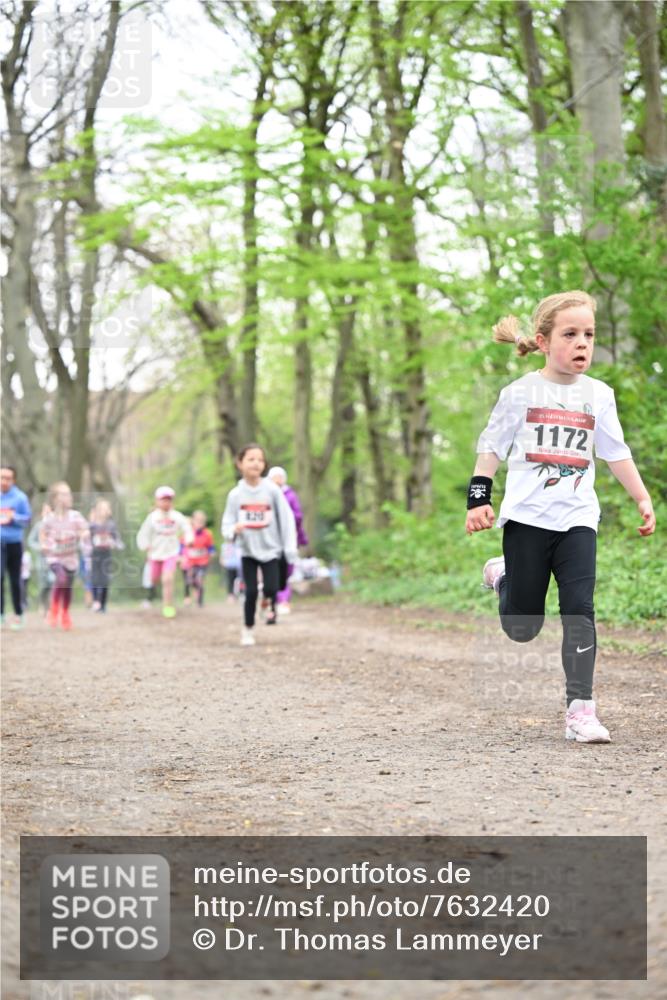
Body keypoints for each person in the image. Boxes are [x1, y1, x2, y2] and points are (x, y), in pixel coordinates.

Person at [466, 290, 656, 743]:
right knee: (521, 627)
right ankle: (504, 574)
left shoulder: (599, 395)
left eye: (588, 334)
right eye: (570, 334)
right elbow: (490, 446)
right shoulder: (520, 393)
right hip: (527, 519)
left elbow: (615, 453)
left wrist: (642, 498)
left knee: (580, 610)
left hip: (577, 519)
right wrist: (478, 498)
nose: (581, 343)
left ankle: (581, 710)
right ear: (543, 340)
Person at [222, 444, 297, 646]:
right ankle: (247, 629)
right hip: (248, 551)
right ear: (240, 463)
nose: (256, 463)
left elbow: (287, 517)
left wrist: (289, 547)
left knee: (272, 588)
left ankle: (267, 602)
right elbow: (227, 522)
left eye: (260, 460)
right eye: (251, 459)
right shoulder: (235, 495)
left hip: (272, 549)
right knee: (251, 592)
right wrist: (233, 530)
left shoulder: (272, 490)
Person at [136, 486, 193, 619]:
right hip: (155, 554)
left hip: (171, 553)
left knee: (168, 579)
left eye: (168, 500)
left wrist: (189, 539)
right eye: (163, 500)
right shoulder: (152, 518)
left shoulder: (176, 516)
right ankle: (155, 592)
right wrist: (144, 545)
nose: (166, 503)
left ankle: (167, 606)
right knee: (154, 579)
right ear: (157, 501)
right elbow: (143, 533)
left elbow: (187, 528)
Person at [40, 482, 89, 630]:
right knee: (61, 578)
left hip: (70, 558)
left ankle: (65, 613)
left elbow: (84, 529)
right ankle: (54, 609)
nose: (69, 497)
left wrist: (83, 534)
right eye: (64, 494)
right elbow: (42, 532)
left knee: (67, 586)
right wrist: (44, 544)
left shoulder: (75, 516)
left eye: (69, 493)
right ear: (55, 498)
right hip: (54, 557)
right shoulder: (49, 518)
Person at [267, 466, 309, 616]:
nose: (278, 480)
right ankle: (272, 600)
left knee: (286, 570)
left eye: (280, 476)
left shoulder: (290, 495)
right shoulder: (265, 494)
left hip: (289, 539)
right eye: (275, 477)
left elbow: (298, 516)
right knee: (270, 569)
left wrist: (288, 522)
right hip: (270, 540)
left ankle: (283, 599)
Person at [0, 466, 32, 630]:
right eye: (1, 477)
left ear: (13, 480)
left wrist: (14, 517)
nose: (4, 481)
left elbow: (27, 520)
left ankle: (18, 614)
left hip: (14, 543)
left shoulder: (20, 498)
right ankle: (1, 614)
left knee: (14, 579)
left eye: (7, 478)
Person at [89, 498, 124, 613]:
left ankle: (103, 604)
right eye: (102, 509)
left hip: (106, 554)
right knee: (94, 578)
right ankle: (95, 601)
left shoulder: (111, 525)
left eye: (106, 508)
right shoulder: (92, 525)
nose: (105, 511)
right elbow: (87, 539)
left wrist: (117, 544)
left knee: (105, 578)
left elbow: (117, 539)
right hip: (95, 554)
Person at [183, 510, 215, 607]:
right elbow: (182, 545)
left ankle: (200, 601)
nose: (199, 523)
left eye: (202, 521)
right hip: (190, 562)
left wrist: (211, 552)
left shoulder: (208, 534)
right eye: (197, 521)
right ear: (193, 521)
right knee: (189, 580)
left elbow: (210, 546)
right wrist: (181, 555)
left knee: (200, 579)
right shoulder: (188, 533)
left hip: (202, 562)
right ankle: (188, 596)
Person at [27, 504, 54, 617]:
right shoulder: (38, 526)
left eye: (49, 511)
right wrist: (40, 547)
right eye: (45, 511)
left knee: (52, 581)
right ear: (42, 513)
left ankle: (52, 607)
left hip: (53, 559)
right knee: (43, 584)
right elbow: (30, 541)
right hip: (41, 559)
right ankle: (43, 606)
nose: (47, 513)